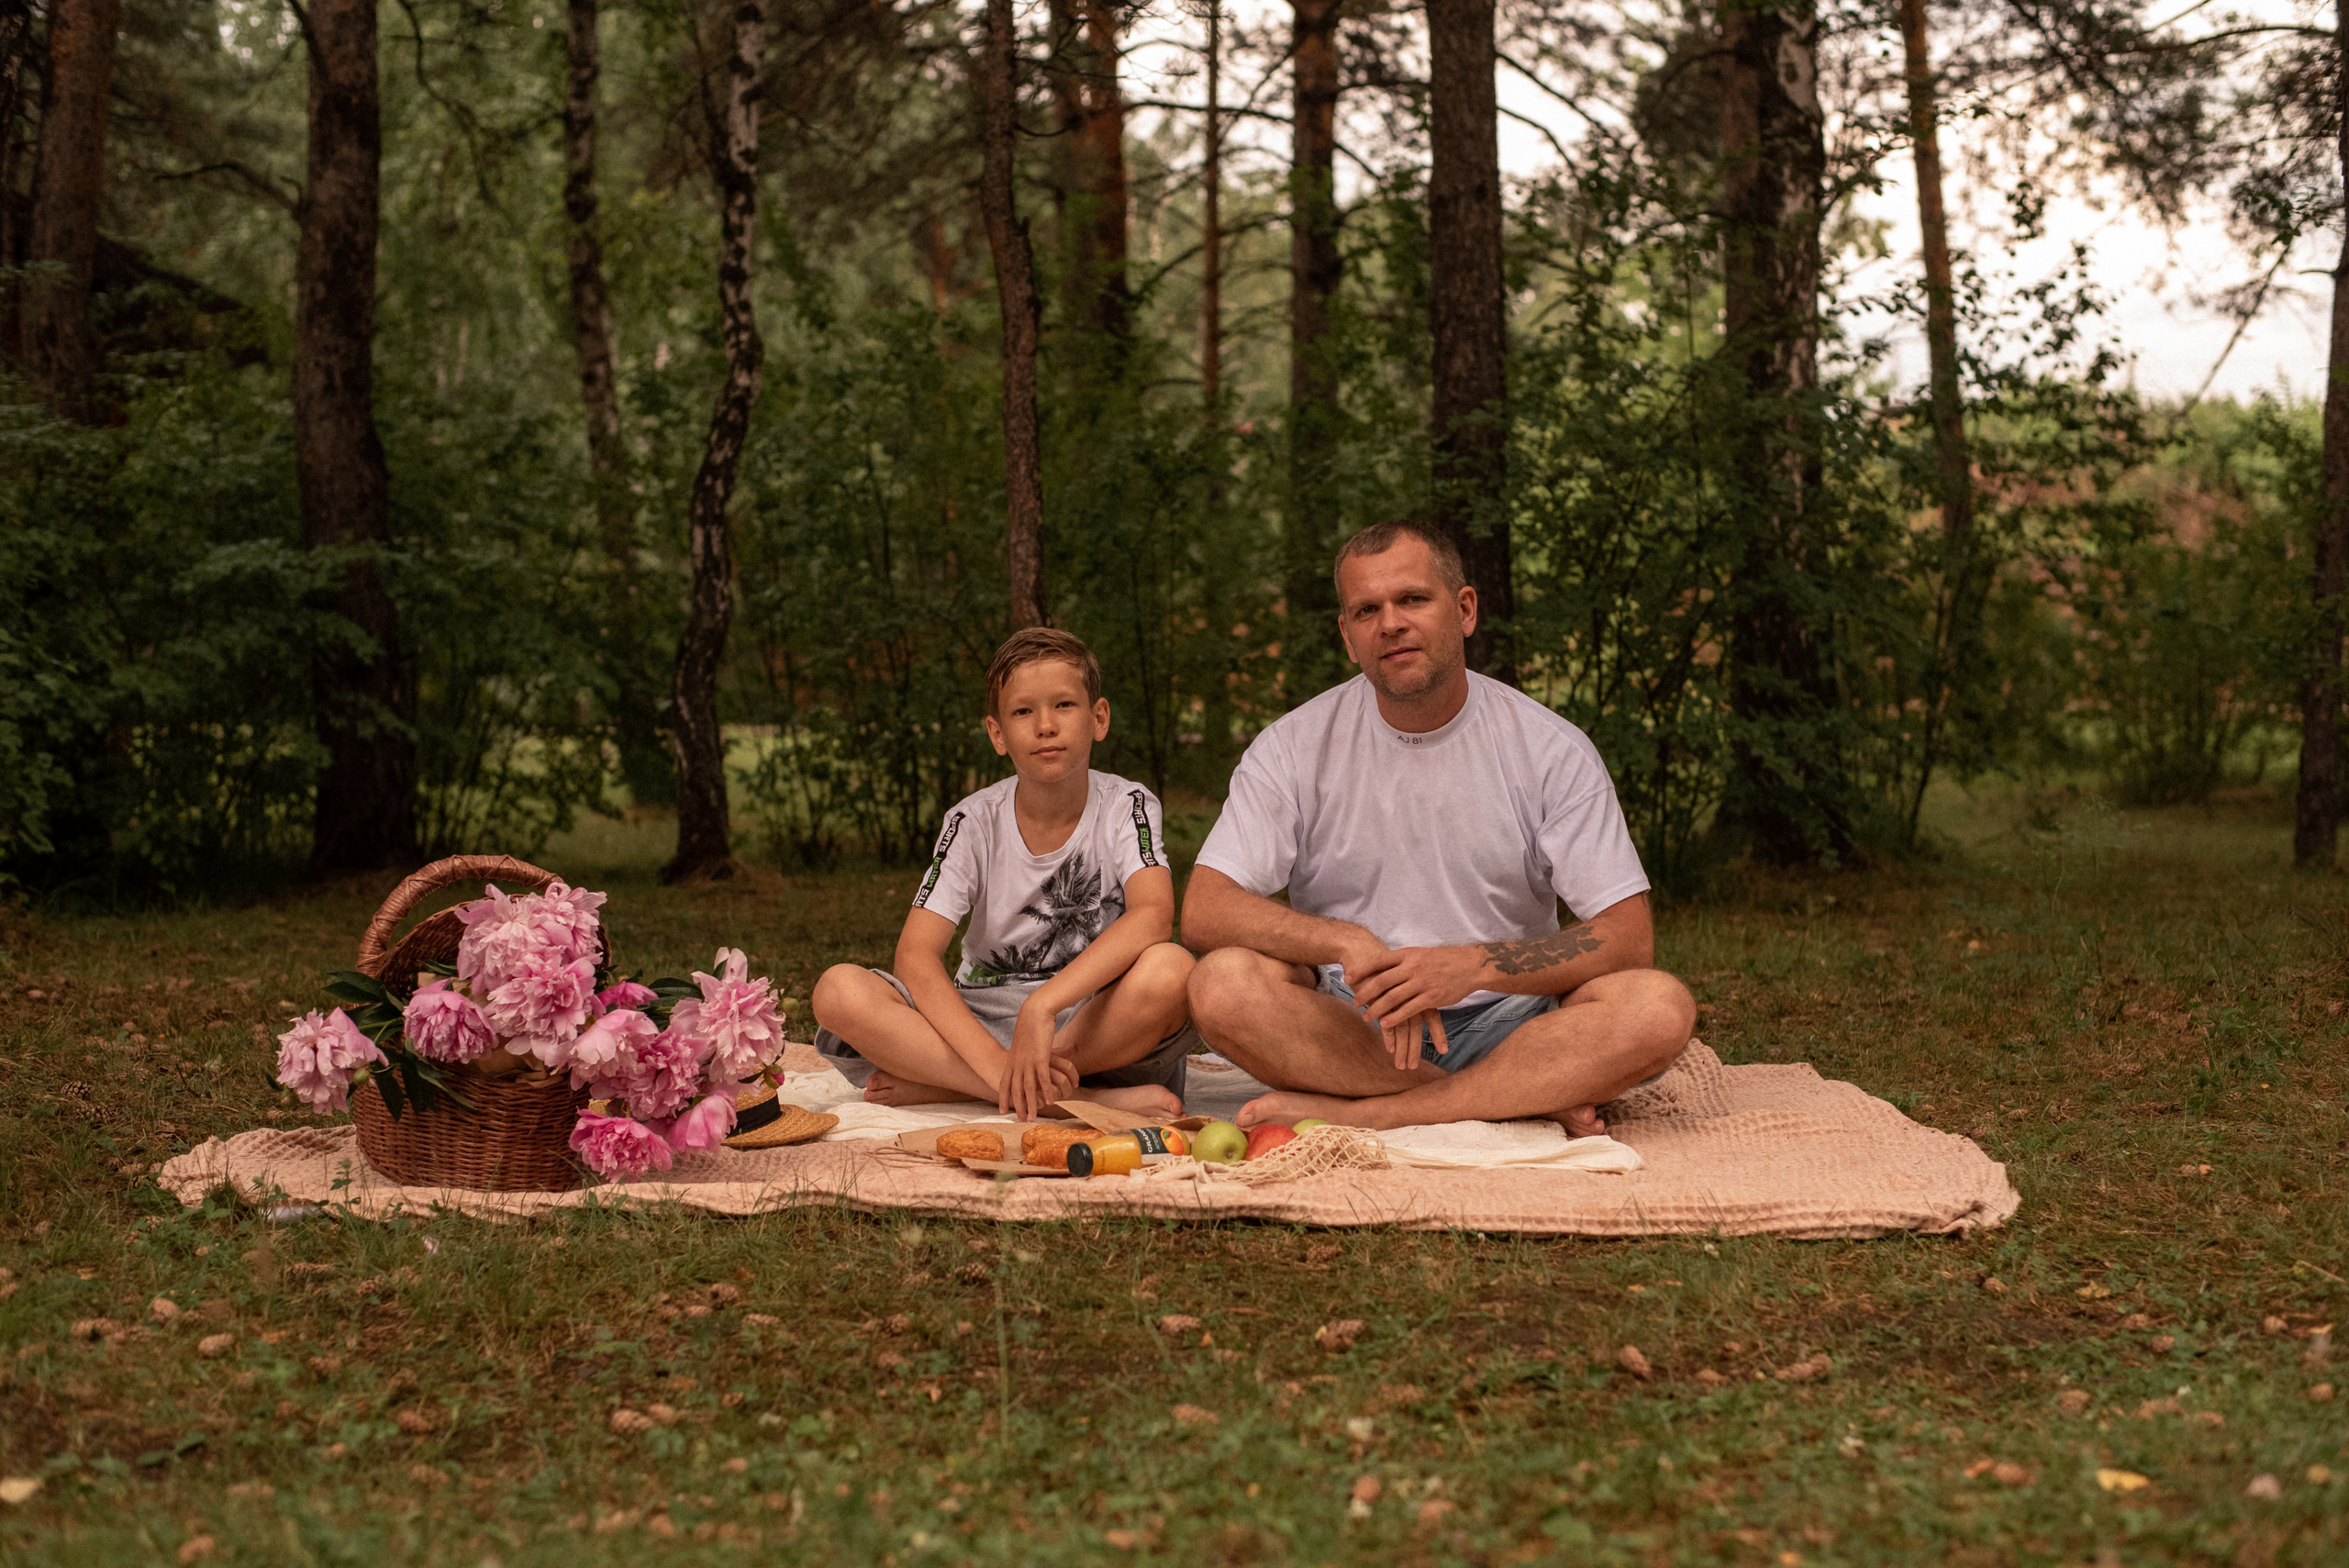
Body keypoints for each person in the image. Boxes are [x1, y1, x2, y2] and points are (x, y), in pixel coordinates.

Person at [1182, 521, 1695, 1134]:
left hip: (1517, 1021)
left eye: (1413, 599)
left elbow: (1629, 937)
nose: (1390, 623)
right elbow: (1205, 909)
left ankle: (1378, 1113)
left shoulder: (1549, 748)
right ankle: (1509, 1096)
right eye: (1367, 610)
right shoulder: (1293, 746)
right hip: (1356, 1025)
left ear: (1465, 609)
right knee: (1221, 985)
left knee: (1658, 1006)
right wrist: (1349, 944)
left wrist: (1471, 966)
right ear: (1348, 637)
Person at [811, 628, 1194, 1119]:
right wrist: (997, 1066)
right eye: (1022, 712)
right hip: (982, 1020)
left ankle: (954, 1088)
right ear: (997, 734)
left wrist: (1042, 1007)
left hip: (1089, 1023)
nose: (1045, 726)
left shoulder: (1128, 804)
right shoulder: (971, 822)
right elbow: (915, 956)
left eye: (1064, 705)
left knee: (1172, 970)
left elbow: (1154, 915)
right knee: (839, 990)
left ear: (1098, 718)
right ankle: (1059, 1097)